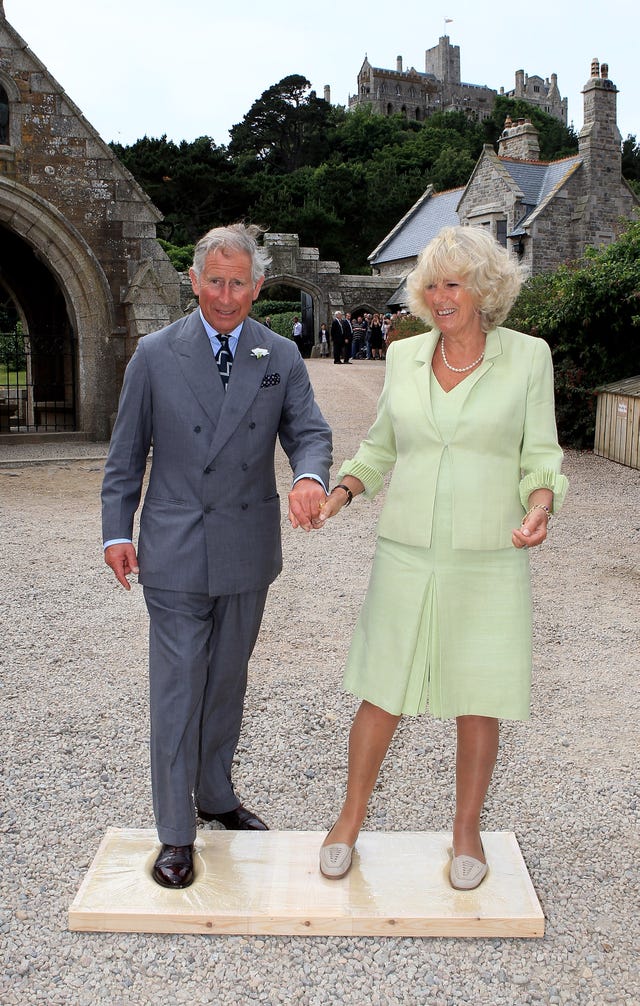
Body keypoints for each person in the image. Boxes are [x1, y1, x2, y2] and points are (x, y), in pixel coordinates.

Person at [316, 226, 568, 890]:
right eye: (431, 284)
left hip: (489, 552)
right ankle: (347, 819)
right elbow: (378, 449)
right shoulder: (403, 357)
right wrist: (342, 492)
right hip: (406, 550)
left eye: (454, 282)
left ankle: (466, 831)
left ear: (485, 288)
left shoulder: (528, 357)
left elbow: (540, 456)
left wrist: (540, 505)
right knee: (382, 688)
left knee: (478, 694)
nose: (440, 294)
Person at [101, 223, 332, 890]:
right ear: (195, 281)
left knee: (226, 682)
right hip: (173, 551)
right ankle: (176, 833)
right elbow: (125, 459)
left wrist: (312, 478)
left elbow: (309, 432)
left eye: (240, 283)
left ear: (258, 285)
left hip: (247, 548)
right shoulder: (154, 354)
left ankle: (215, 795)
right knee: (178, 690)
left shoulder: (279, 354)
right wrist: (117, 532)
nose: (227, 296)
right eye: (215, 282)